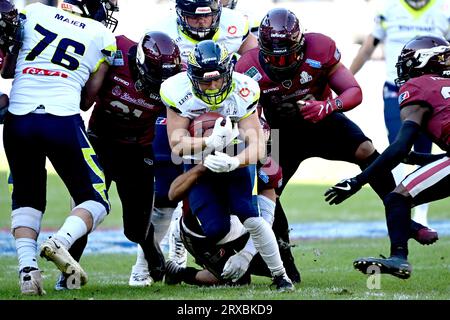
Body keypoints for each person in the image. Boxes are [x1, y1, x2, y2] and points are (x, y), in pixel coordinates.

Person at [235, 7, 438, 268]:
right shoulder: (247, 67)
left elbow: (353, 90)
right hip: (278, 134)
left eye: (288, 56)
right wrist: (260, 127)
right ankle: (284, 262)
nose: (281, 64)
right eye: (275, 58)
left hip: (320, 121)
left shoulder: (320, 48)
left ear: (301, 42)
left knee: (365, 149)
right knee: (269, 190)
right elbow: (246, 113)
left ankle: (403, 221)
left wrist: (327, 106)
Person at [128, 0, 261, 285]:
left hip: (230, 117)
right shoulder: (160, 30)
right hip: (180, 114)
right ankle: (145, 264)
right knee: (164, 194)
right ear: (179, 14)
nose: (202, 23)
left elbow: (255, 62)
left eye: (209, 16)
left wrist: (240, 100)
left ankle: (270, 261)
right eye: (193, 17)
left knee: (253, 186)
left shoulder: (235, 23)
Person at [1, 0, 117, 295]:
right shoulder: (101, 34)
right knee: (96, 200)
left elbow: (8, 68)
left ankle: (28, 272)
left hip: (19, 118)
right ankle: (61, 242)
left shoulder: (33, 11)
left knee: (26, 199)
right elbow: (87, 99)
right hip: (61, 120)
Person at [160, 39, 294, 292]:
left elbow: (255, 145)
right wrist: (207, 142)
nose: (211, 87)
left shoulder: (245, 92)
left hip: (236, 152)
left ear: (229, 72)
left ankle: (281, 276)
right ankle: (183, 229)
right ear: (191, 77)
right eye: (204, 81)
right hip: (198, 151)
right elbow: (176, 145)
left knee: (251, 217)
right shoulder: (177, 91)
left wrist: (235, 160)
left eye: (217, 79)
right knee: (214, 228)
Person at [54, 31, 183, 290]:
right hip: (100, 143)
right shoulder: (115, 52)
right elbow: (84, 93)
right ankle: (68, 276)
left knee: (136, 225)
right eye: (153, 76)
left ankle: (151, 251)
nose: (158, 83)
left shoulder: (174, 78)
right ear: (140, 61)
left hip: (137, 149)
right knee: (86, 207)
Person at [325, 35, 450, 279]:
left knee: (397, 197)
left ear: (423, 62)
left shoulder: (418, 87)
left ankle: (399, 258)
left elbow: (399, 147)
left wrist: (357, 181)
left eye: (408, 62)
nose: (404, 69)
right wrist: (417, 159)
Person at [349, 0, 450, 226]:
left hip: (431, 88)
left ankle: (416, 211)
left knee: (420, 145)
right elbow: (367, 48)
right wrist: (346, 81)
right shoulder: (389, 9)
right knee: (399, 145)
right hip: (397, 89)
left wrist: (358, 180)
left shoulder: (442, 10)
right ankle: (401, 201)